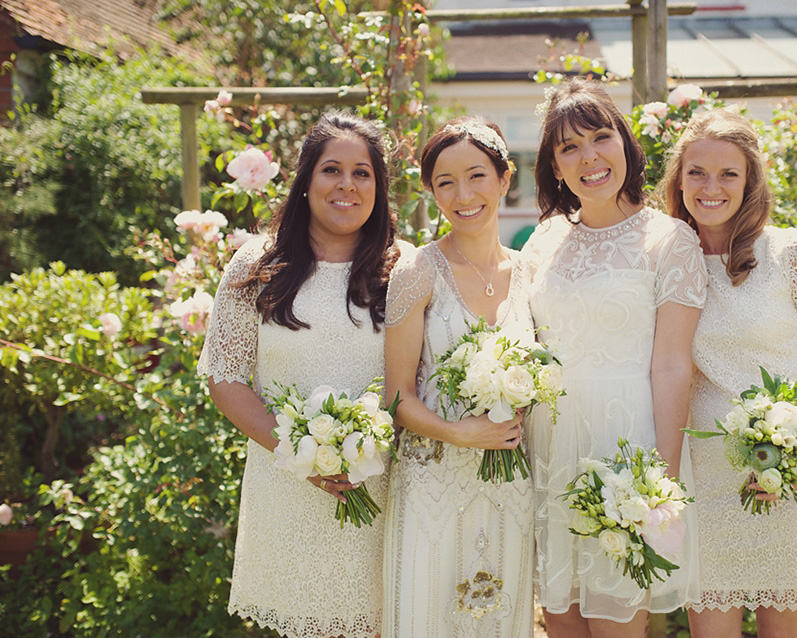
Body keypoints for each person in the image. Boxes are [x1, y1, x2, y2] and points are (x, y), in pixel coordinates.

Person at [659, 108, 797, 638]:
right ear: (678, 178)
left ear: (750, 179)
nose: (711, 187)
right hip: (706, 480)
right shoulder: (665, 264)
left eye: (728, 173)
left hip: (790, 476)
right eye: (697, 172)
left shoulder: (792, 255)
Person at [197, 110, 398, 638]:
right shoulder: (255, 264)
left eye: (363, 173)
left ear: (378, 186)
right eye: (332, 169)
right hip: (287, 487)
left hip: (381, 493)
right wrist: (303, 457)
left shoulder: (403, 269)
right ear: (306, 178)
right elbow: (226, 378)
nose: (347, 185)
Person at [521, 77, 706, 638]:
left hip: (627, 449)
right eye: (568, 147)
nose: (589, 157)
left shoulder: (670, 241)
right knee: (559, 619)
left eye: (600, 137)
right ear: (554, 166)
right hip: (551, 447)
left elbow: (673, 366)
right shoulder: (544, 239)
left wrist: (661, 484)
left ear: (625, 143)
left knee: (618, 621)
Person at [381, 116, 536, 638]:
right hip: (434, 484)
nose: (463, 194)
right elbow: (396, 396)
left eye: (476, 176)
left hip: (509, 485)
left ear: (505, 177)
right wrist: (460, 432)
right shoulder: (417, 272)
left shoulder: (531, 273)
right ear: (431, 192)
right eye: (445, 182)